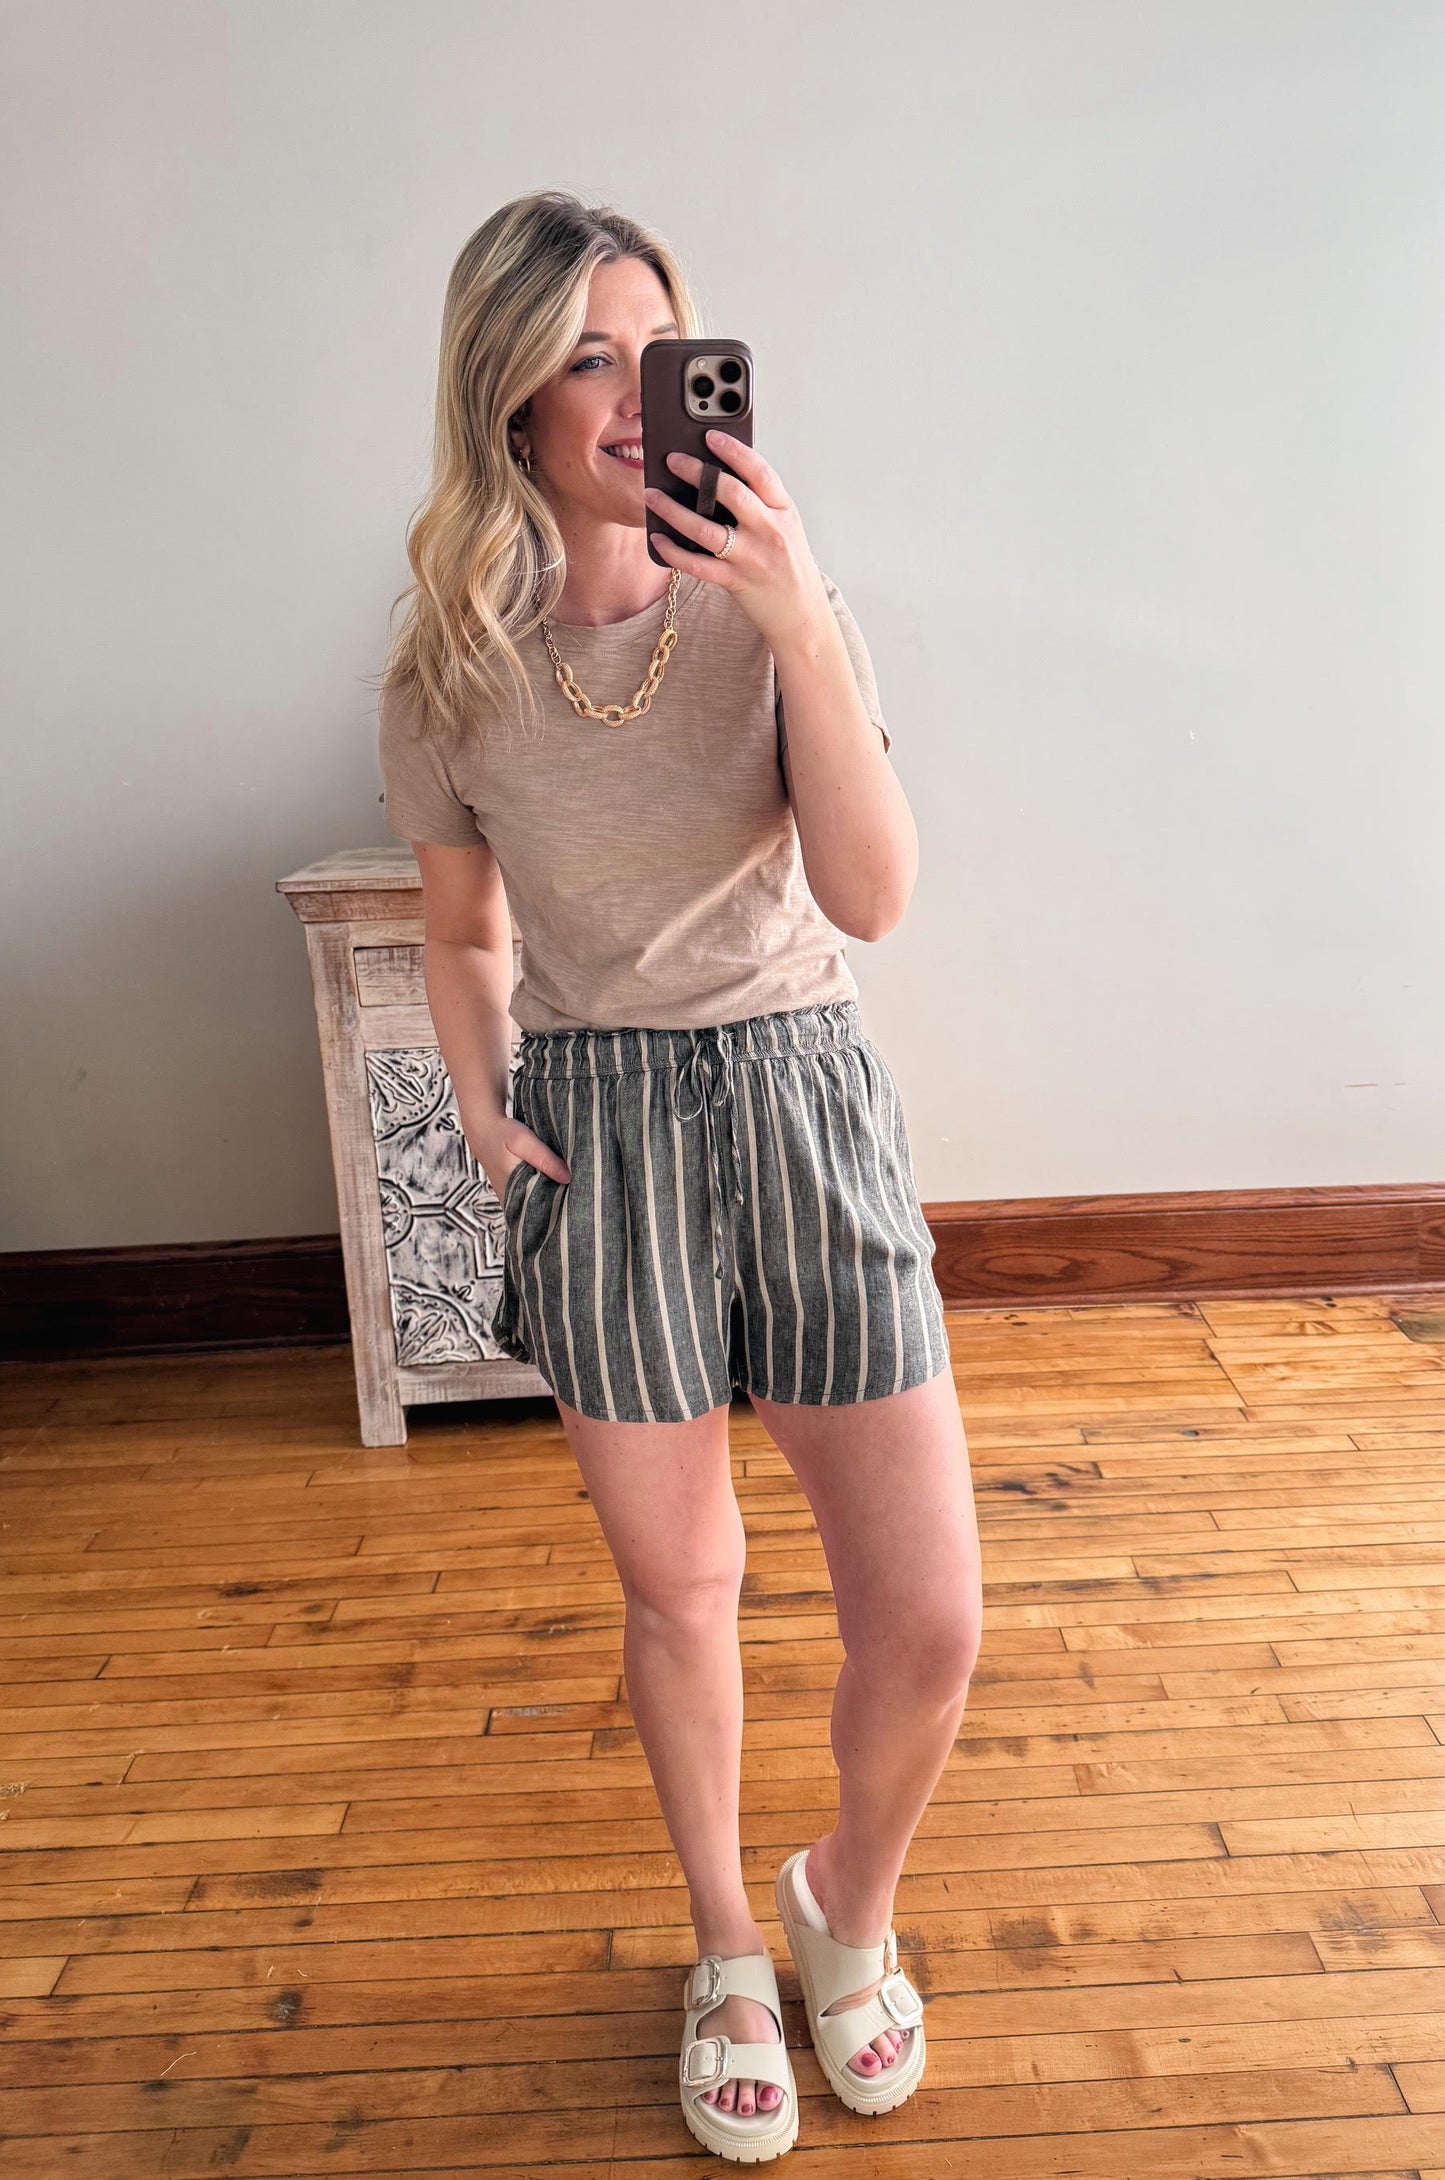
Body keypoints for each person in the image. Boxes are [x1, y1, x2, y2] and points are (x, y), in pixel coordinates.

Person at [377, 190, 981, 2163]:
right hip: (606, 1129)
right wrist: (483, 1100)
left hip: (803, 1097)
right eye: (581, 355)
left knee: (930, 1616)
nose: (632, 393)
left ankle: (842, 1906)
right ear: (512, 401)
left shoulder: (776, 605)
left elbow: (876, 901)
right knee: (685, 1586)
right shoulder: (446, 670)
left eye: (657, 346)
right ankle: (729, 1941)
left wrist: (801, 615)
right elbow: (464, 930)